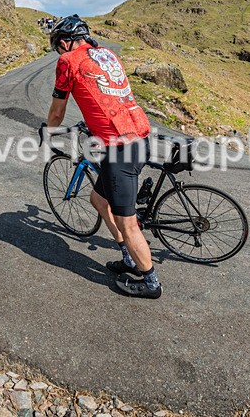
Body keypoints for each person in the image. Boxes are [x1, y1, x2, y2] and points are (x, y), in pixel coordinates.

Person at [45, 15, 161, 298]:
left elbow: (58, 112)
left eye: (59, 48)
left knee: (127, 221)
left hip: (119, 148)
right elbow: (104, 93)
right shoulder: (106, 54)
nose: (59, 53)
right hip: (139, 136)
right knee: (98, 200)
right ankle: (129, 257)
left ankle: (150, 282)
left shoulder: (68, 61)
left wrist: (48, 133)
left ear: (64, 42)